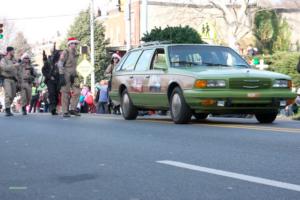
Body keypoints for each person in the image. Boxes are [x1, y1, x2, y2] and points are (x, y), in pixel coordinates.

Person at [58, 37, 81, 117]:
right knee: (65, 92)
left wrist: (75, 74)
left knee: (77, 91)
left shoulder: (76, 53)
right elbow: (60, 63)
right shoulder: (66, 52)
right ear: (69, 44)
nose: (74, 45)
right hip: (65, 73)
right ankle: (65, 111)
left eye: (75, 43)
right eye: (72, 43)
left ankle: (73, 109)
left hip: (74, 74)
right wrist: (61, 75)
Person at [0, 47, 20, 116]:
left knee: (13, 95)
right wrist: (14, 65)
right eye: (13, 51)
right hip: (6, 79)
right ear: (9, 51)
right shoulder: (3, 59)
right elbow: (4, 68)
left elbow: (17, 70)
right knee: (8, 94)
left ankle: (8, 107)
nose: (14, 52)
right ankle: (7, 110)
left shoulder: (14, 60)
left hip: (13, 80)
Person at [42, 49, 61, 115]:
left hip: (58, 80)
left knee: (56, 94)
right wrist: (49, 77)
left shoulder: (61, 61)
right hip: (50, 80)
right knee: (52, 93)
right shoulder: (48, 61)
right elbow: (43, 70)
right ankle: (52, 108)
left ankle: (54, 107)